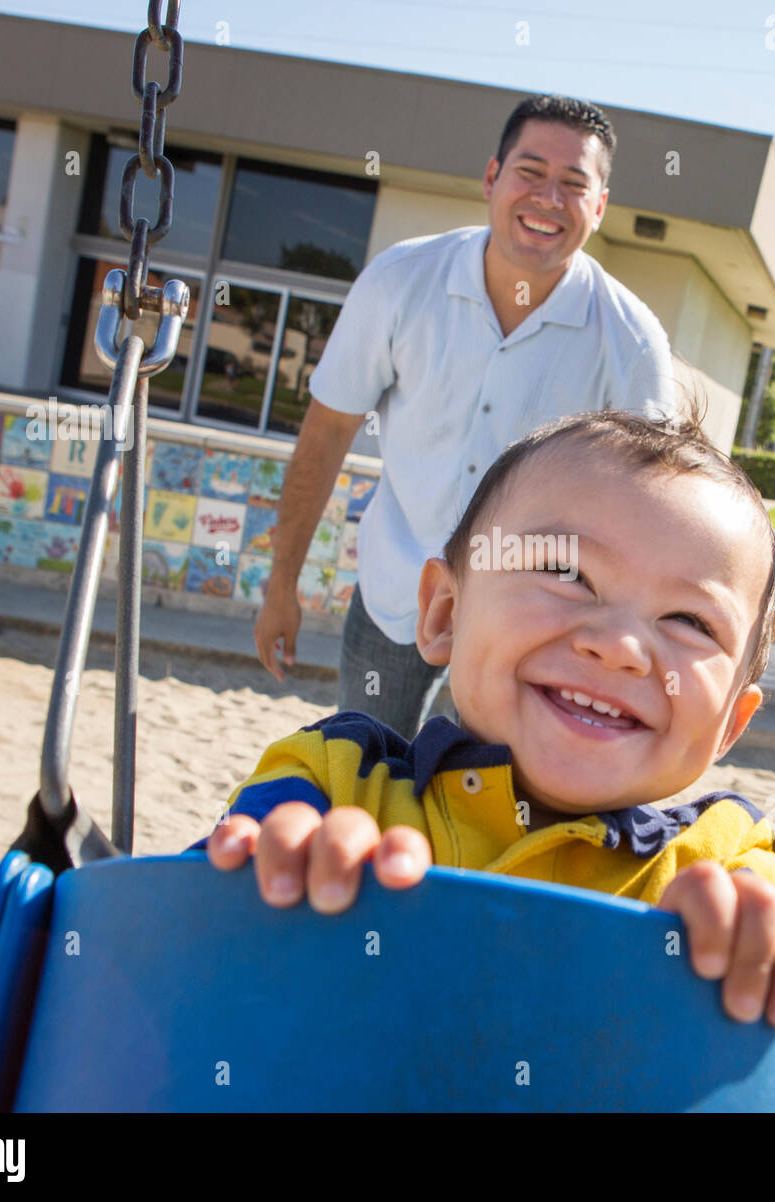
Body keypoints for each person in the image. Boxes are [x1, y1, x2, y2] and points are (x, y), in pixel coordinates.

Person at [199, 410, 775, 1029]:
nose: (619, 647)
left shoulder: (717, 858)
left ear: (730, 726)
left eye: (689, 621)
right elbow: (179, 932)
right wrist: (276, 875)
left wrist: (749, 941)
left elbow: (768, 968)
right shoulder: (334, 778)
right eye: (566, 572)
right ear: (444, 614)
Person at [254, 94, 678, 738]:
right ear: (491, 178)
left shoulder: (632, 340)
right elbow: (327, 432)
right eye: (529, 173)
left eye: (573, 184)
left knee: (477, 809)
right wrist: (280, 585)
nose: (547, 199)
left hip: (531, 628)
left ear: (599, 207)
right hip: (395, 596)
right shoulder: (400, 281)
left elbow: (647, 510)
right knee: (362, 774)